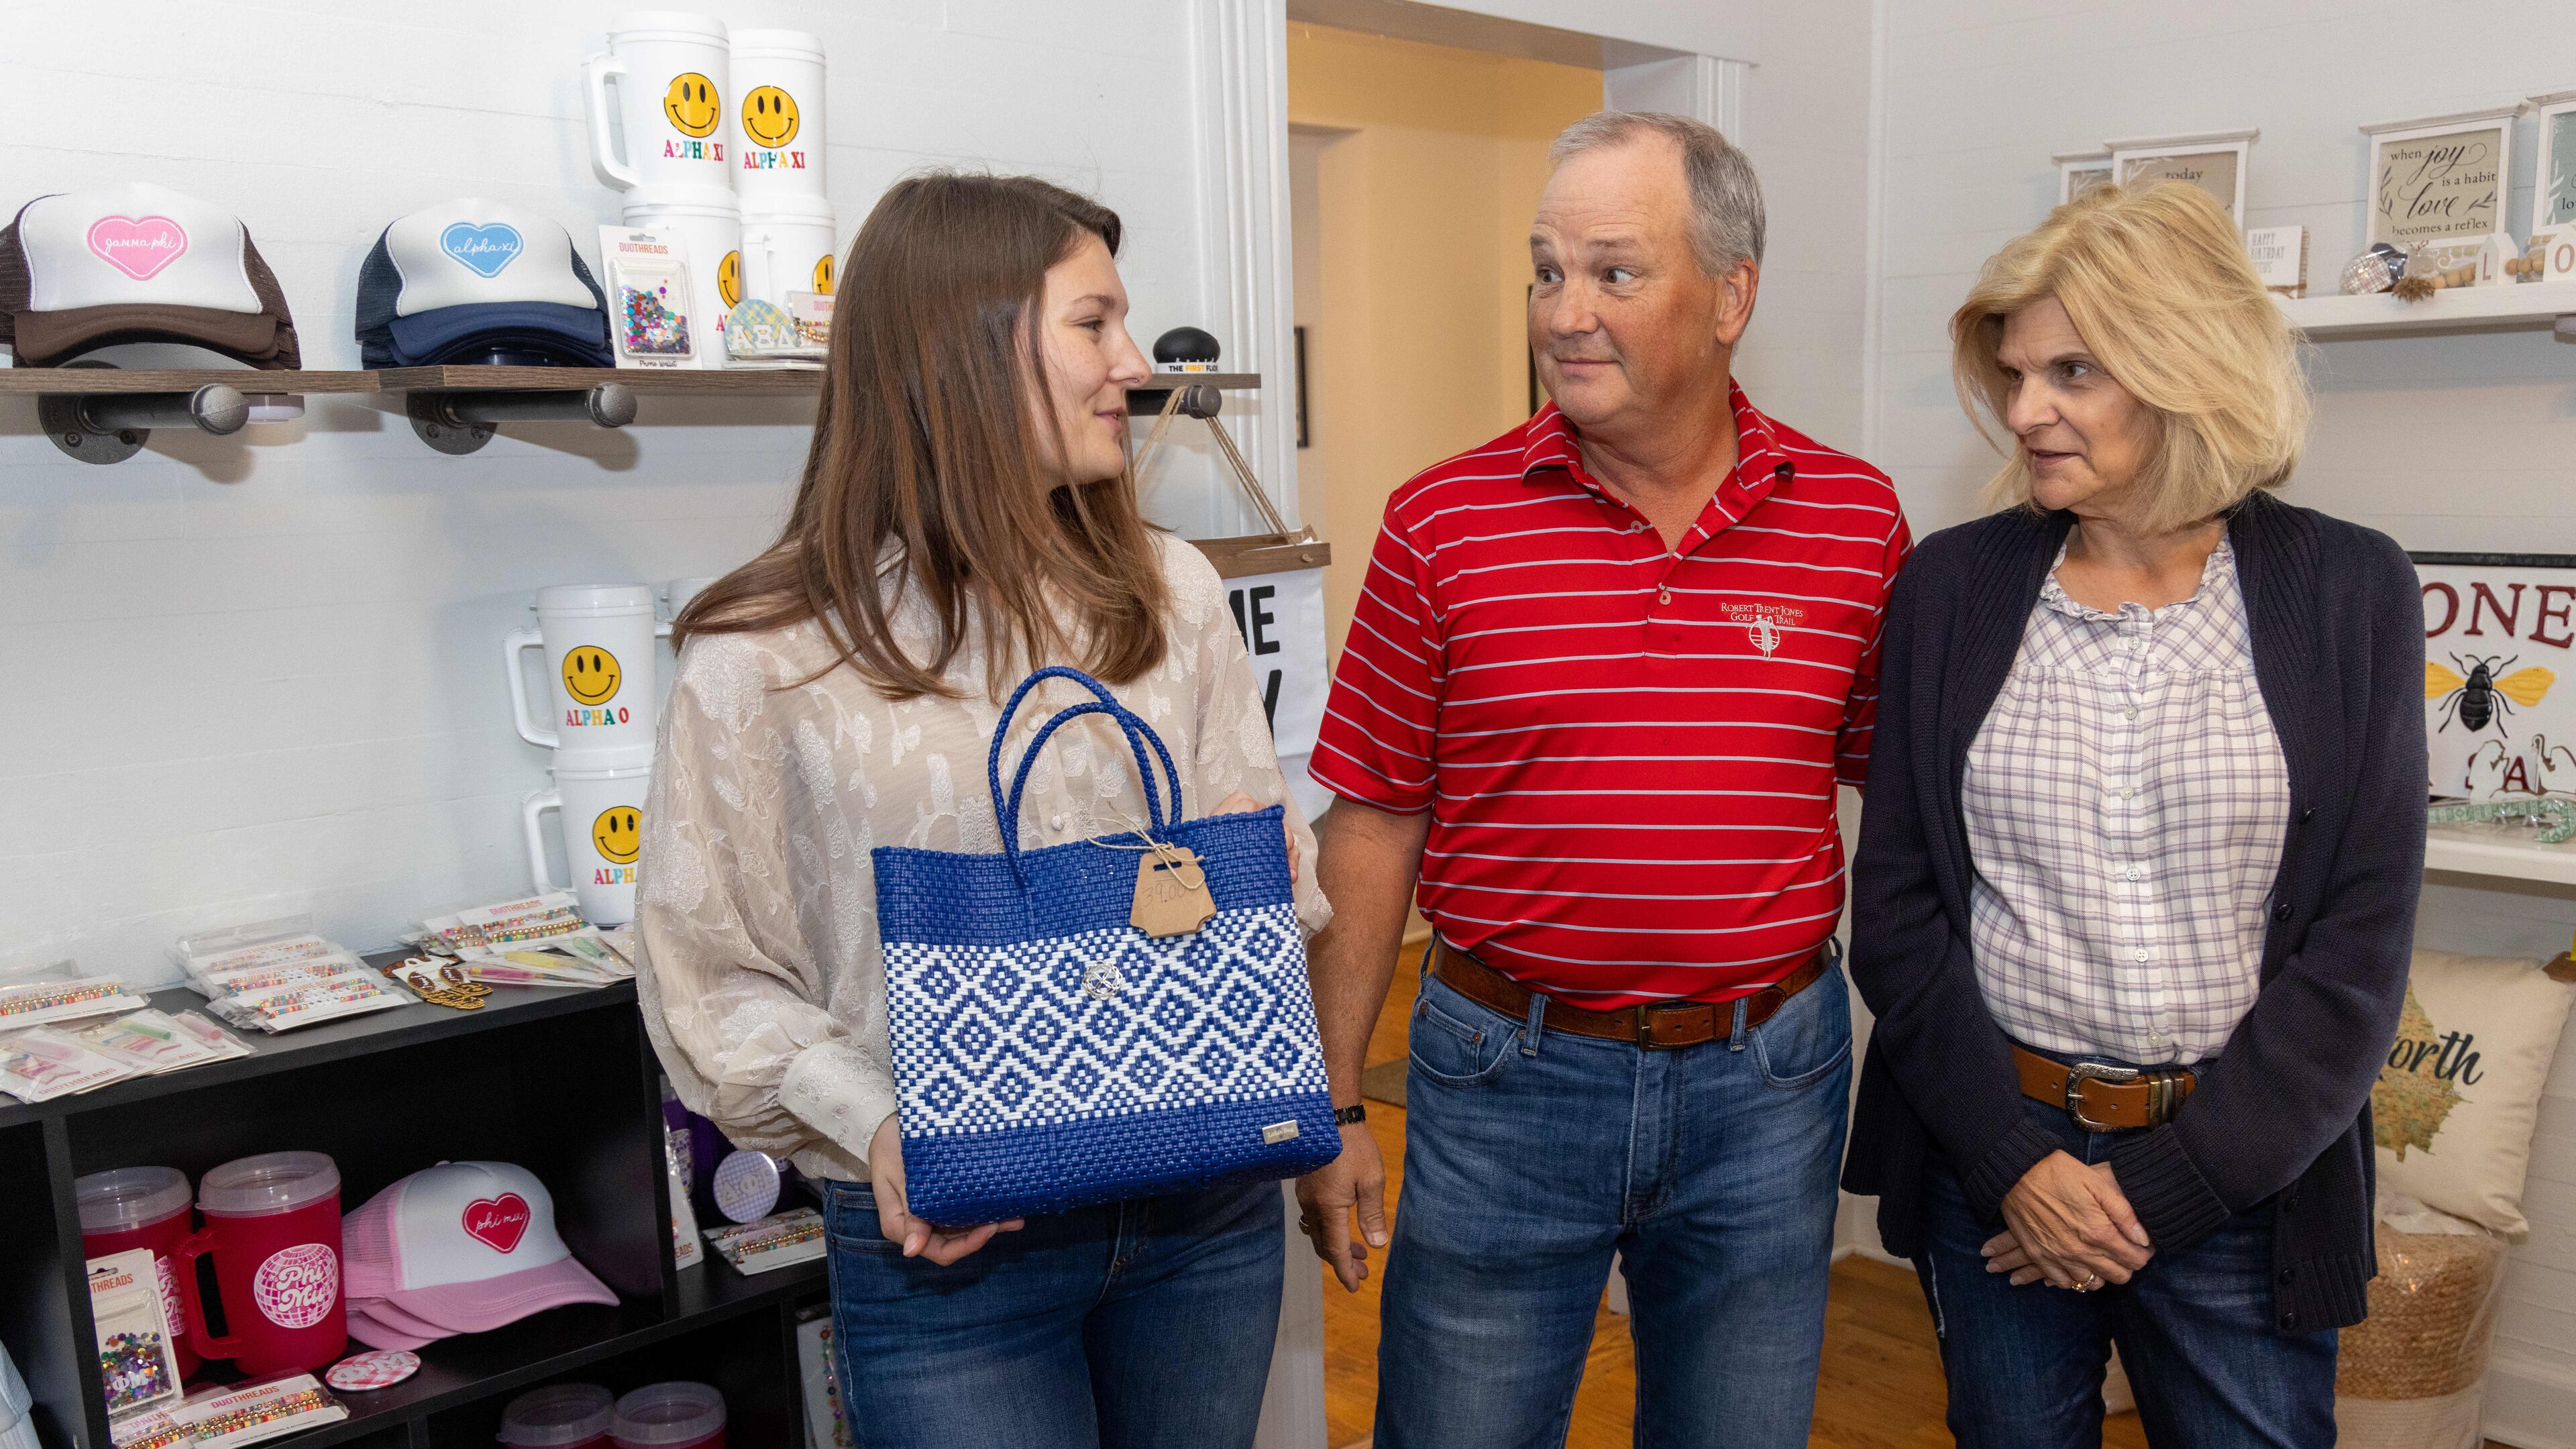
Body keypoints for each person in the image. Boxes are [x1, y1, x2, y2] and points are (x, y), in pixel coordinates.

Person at [632, 172, 1329, 1449]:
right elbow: (708, 974)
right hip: (951, 1245)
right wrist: (876, 1123)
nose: (1132, 363)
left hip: (1204, 1207)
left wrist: (1259, 869)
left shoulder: (1172, 589)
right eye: (1093, 323)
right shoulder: (765, 652)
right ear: (964, 345)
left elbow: (1272, 866)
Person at [1297, 111, 1911, 1448]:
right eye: (1544, 271)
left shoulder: (1855, 519)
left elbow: (1913, 807)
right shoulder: (1440, 520)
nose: (1563, 314)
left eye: (1614, 273)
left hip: (1769, 1080)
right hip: (1505, 1074)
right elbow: (1372, 821)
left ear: (1732, 293)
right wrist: (1332, 1100)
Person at [1843, 180, 2425, 1448]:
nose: (2025, 409)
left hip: (2245, 1177)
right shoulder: (1951, 584)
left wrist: (2169, 1190)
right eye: (2016, 371)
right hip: (1997, 1165)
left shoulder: (2350, 588)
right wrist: (2014, 1164)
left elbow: (2361, 942)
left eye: (2073, 372)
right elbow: (1893, 911)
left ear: (2184, 368)